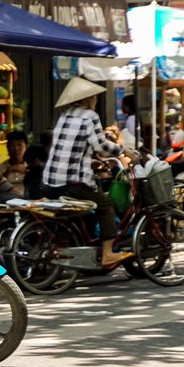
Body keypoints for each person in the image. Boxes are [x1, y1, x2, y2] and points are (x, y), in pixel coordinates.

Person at [42, 77, 133, 267]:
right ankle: (108, 254)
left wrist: (90, 161)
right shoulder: (90, 116)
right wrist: (124, 150)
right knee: (106, 206)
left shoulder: (65, 115)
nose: (96, 101)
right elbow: (100, 146)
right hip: (73, 181)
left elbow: (70, 149)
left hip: (50, 180)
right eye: (95, 98)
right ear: (88, 98)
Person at [0, 129, 29, 196]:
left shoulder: (31, 166)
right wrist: (10, 170)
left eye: (19, 145)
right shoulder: (0, 167)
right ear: (7, 147)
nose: (16, 149)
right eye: (12, 145)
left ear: (26, 147)